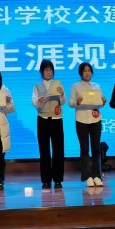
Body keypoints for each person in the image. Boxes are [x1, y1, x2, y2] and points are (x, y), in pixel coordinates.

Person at [69, 62, 107, 187]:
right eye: (85, 71)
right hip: (81, 119)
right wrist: (77, 101)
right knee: (84, 149)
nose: (87, 73)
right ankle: (87, 177)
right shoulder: (75, 86)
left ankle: (97, 175)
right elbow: (70, 103)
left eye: (89, 71)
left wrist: (102, 102)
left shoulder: (97, 86)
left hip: (95, 119)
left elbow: (99, 105)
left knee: (96, 148)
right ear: (80, 73)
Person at [31, 59, 66, 190]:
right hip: (43, 119)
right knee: (44, 150)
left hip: (57, 119)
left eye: (50, 69)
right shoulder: (37, 86)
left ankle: (58, 180)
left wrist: (62, 94)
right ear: (42, 71)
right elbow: (34, 102)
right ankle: (46, 180)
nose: (48, 72)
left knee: (58, 150)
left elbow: (63, 101)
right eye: (46, 69)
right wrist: (39, 101)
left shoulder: (58, 83)